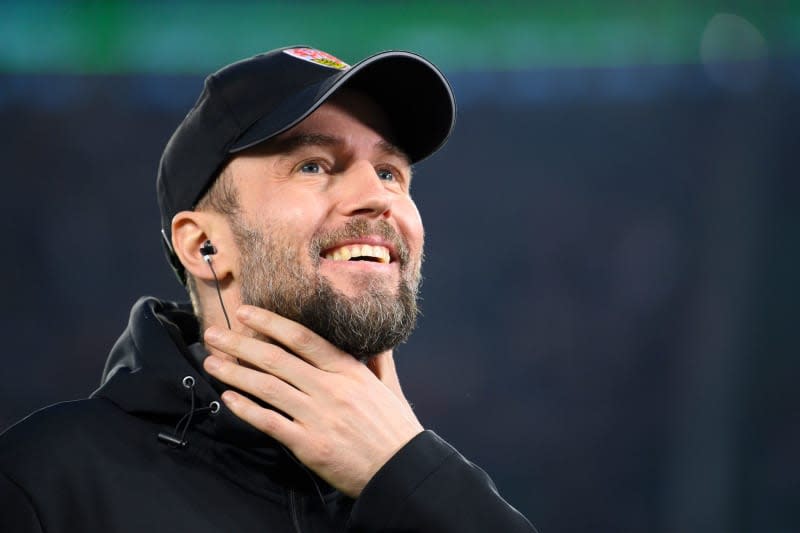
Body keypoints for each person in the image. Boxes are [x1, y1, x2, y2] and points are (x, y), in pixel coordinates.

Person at [0, 46, 535, 532]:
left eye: (391, 172)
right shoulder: (46, 482)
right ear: (204, 244)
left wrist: (409, 476)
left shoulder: (422, 484)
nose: (377, 196)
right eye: (313, 165)